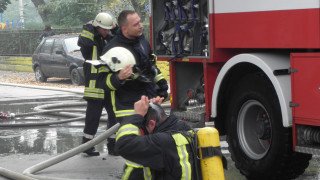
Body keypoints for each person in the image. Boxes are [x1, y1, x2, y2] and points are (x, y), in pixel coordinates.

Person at [100, 10, 169, 123]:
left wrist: (161, 86)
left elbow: (151, 67)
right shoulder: (112, 49)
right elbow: (102, 82)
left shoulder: (142, 42)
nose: (141, 26)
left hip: (150, 103)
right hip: (128, 110)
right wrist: (118, 77)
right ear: (124, 29)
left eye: (140, 22)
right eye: (136, 24)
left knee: (156, 139)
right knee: (133, 140)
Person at [115, 95, 196, 179]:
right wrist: (156, 109)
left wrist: (137, 115)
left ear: (152, 124)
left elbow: (123, 144)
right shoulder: (184, 129)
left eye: (142, 129)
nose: (142, 134)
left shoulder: (161, 142)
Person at [77, 12, 119, 156]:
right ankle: (87, 146)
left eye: (108, 29)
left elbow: (121, 41)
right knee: (92, 118)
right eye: (104, 29)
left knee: (114, 117)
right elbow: (84, 43)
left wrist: (114, 28)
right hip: (95, 87)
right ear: (97, 26)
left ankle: (113, 146)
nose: (106, 32)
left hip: (109, 84)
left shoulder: (108, 39)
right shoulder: (89, 40)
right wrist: (88, 28)